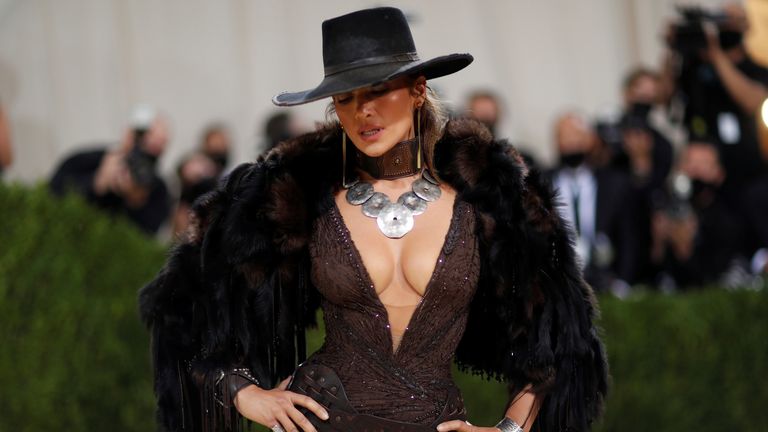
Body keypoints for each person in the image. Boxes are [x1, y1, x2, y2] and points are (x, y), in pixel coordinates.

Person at [139, 7, 607, 432]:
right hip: (322, 419)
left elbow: (561, 339)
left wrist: (507, 430)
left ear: (418, 89)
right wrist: (246, 394)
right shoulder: (297, 198)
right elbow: (183, 306)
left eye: (379, 90)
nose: (363, 111)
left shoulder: (489, 202)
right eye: (346, 98)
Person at [548, 112, 638, 296]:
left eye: (576, 137)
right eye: (564, 137)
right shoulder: (542, 182)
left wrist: (623, 281)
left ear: (590, 141)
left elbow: (629, 236)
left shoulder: (614, 184)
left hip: (606, 280)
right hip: (559, 284)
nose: (571, 144)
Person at [49, 107, 171, 235]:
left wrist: (135, 202)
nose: (147, 148)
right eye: (142, 137)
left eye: (158, 145)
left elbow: (146, 237)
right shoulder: (85, 161)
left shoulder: (157, 189)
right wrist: (97, 183)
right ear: (128, 133)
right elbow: (51, 198)